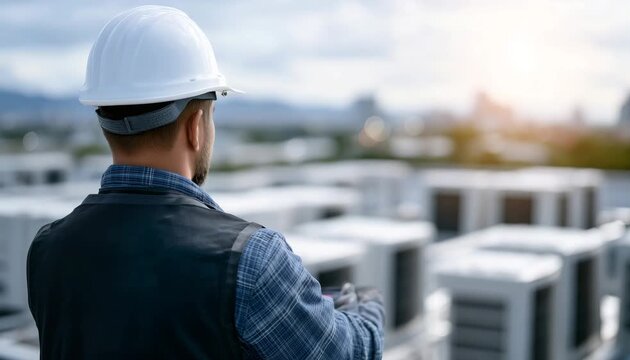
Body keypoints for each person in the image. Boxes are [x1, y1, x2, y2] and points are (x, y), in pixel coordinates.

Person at [26, 5, 384, 360]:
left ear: (104, 122)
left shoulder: (48, 249)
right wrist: (368, 305)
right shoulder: (249, 260)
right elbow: (347, 353)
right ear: (196, 126)